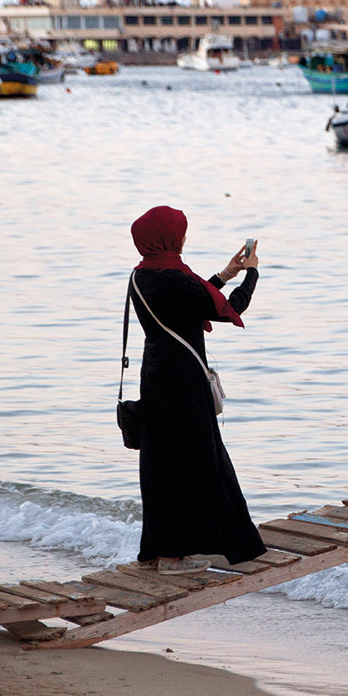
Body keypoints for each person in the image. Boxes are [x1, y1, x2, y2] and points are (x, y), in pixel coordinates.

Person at [128, 206, 265, 574]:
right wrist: (252, 272)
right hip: (183, 382)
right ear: (170, 238)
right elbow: (230, 308)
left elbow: (190, 302)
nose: (185, 237)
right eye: (181, 232)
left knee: (160, 464)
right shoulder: (176, 278)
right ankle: (176, 557)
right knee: (197, 462)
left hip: (155, 376)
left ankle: (154, 554)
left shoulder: (141, 275)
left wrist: (225, 274)